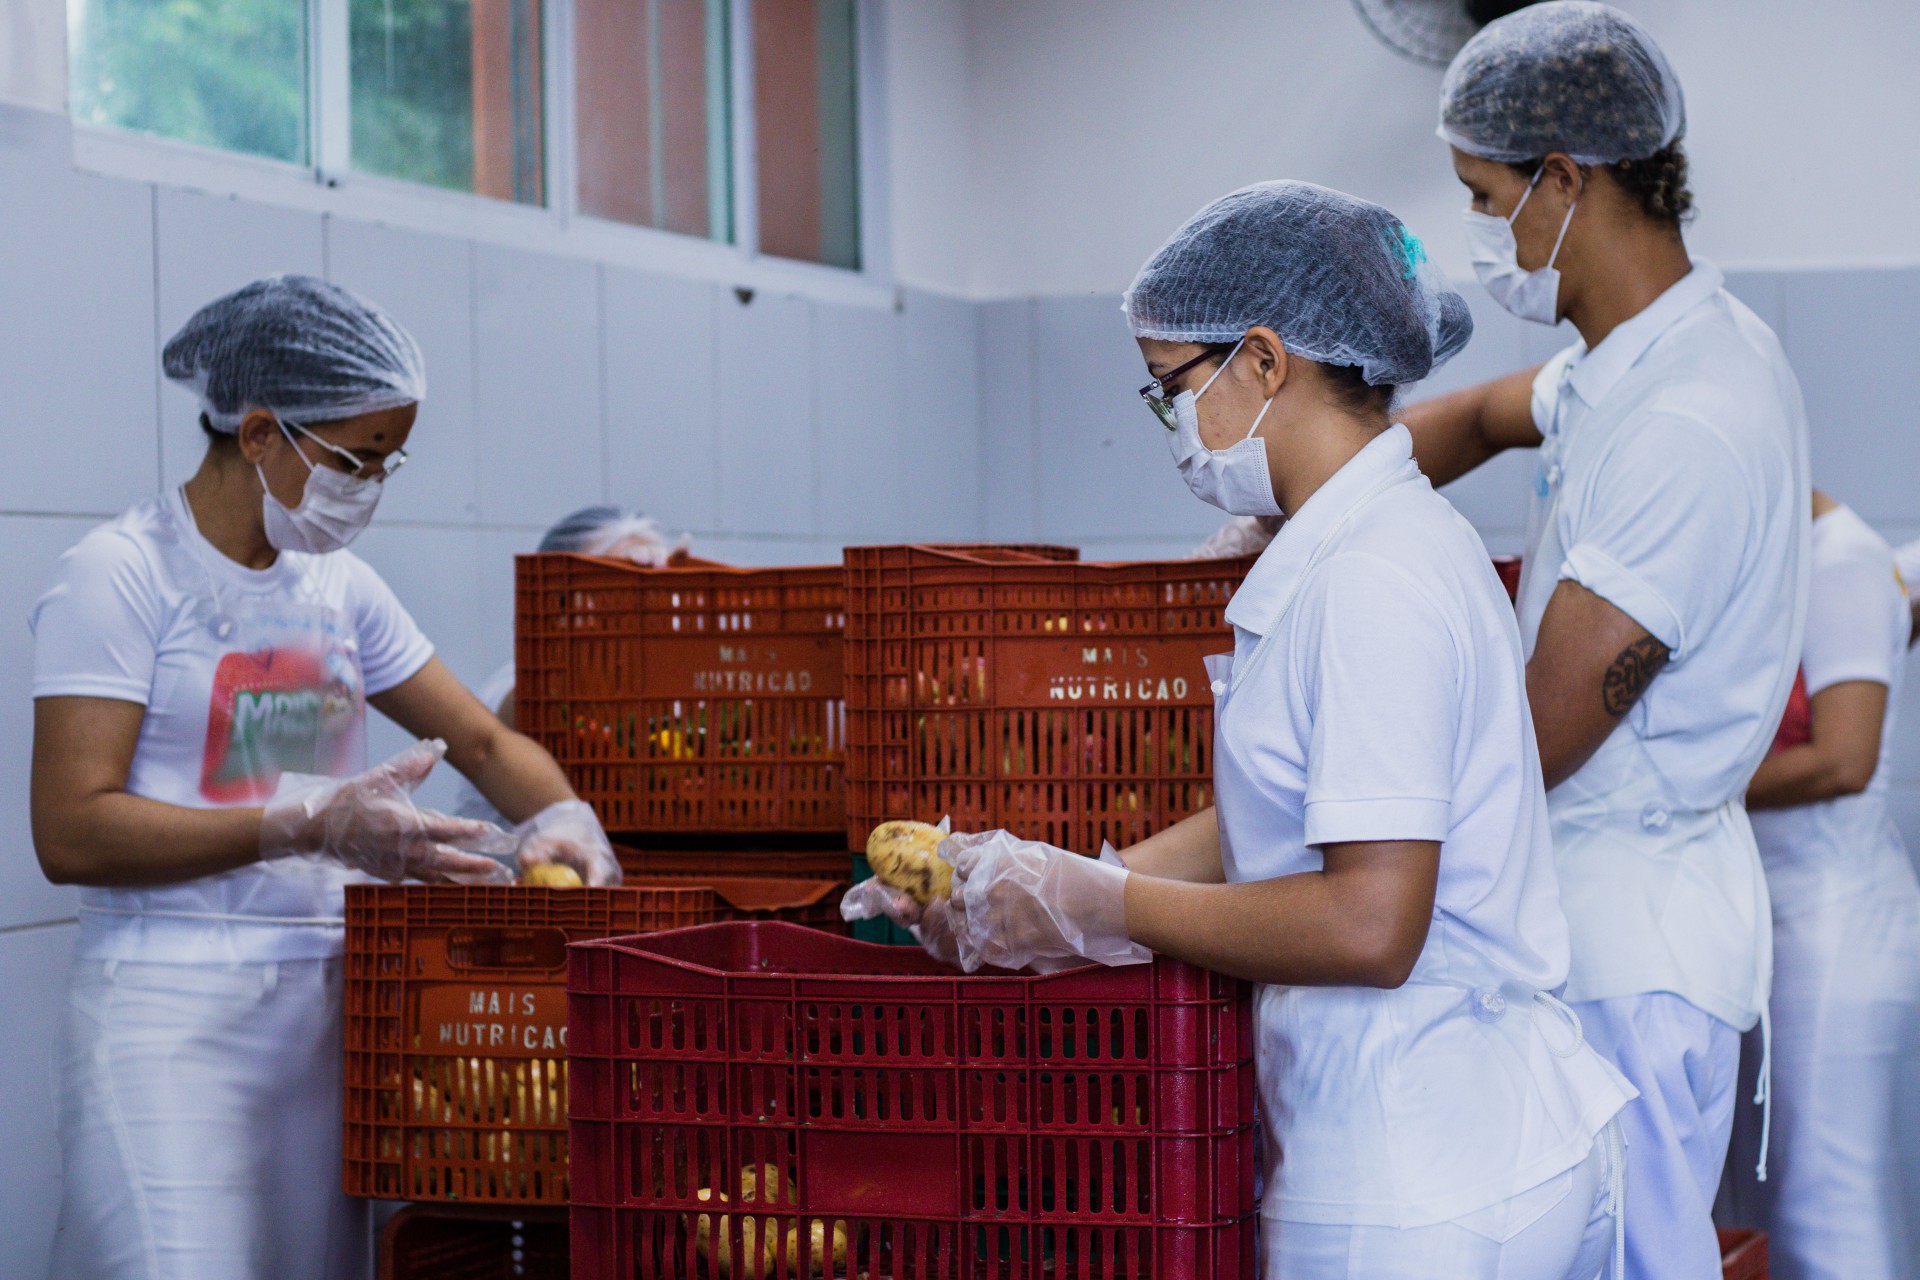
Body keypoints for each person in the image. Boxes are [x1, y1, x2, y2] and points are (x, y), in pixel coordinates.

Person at [855, 181, 1636, 1280]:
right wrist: (1054, 891)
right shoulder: (1362, 545)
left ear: (1265, 363)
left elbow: (1371, 922)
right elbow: (1276, 818)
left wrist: (1101, 902)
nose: (1173, 423)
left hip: (1424, 1169)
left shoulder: (1376, 575)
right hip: (1465, 1143)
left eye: (1171, 386)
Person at [30, 275, 622, 1280]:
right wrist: (306, 822)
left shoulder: (337, 585)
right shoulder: (121, 574)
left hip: (325, 1010)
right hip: (167, 1011)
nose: (374, 485)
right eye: (356, 459)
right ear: (260, 433)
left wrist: (564, 815)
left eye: (391, 460)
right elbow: (72, 832)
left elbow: (481, 741)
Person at [1403, 6, 1811, 1277]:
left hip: (1629, 954)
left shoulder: (1690, 417)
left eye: (1484, 197)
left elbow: (1539, 736)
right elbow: (1476, 413)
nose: (1480, 234)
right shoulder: (1635, 358)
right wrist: (1300, 499)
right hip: (1605, 924)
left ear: (1566, 181)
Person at [1720, 491, 1920, 1280]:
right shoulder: (1769, 561)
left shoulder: (1843, 560)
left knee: (1826, 1205)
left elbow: (1844, 759)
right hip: (1768, 924)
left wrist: (1667, 789)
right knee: (1769, 1201)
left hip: (1835, 926)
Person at [451, 505, 682, 823]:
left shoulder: (665, 707)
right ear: (554, 601)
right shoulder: (514, 686)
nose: (634, 607)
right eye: (606, 588)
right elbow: (531, 711)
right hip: (507, 869)